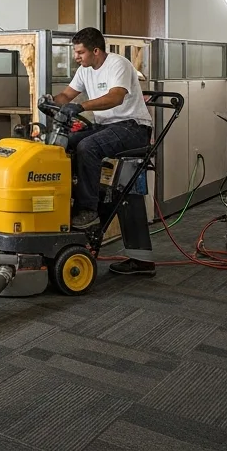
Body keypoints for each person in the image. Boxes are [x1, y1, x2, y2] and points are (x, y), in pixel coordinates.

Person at [50, 27, 154, 274]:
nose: (76, 57)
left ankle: (88, 210)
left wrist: (80, 106)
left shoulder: (119, 64)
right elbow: (66, 94)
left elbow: (116, 97)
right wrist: (50, 101)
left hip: (133, 127)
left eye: (80, 52)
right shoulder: (84, 70)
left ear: (95, 51)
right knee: (68, 143)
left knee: (88, 146)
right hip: (105, 126)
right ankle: (71, 200)